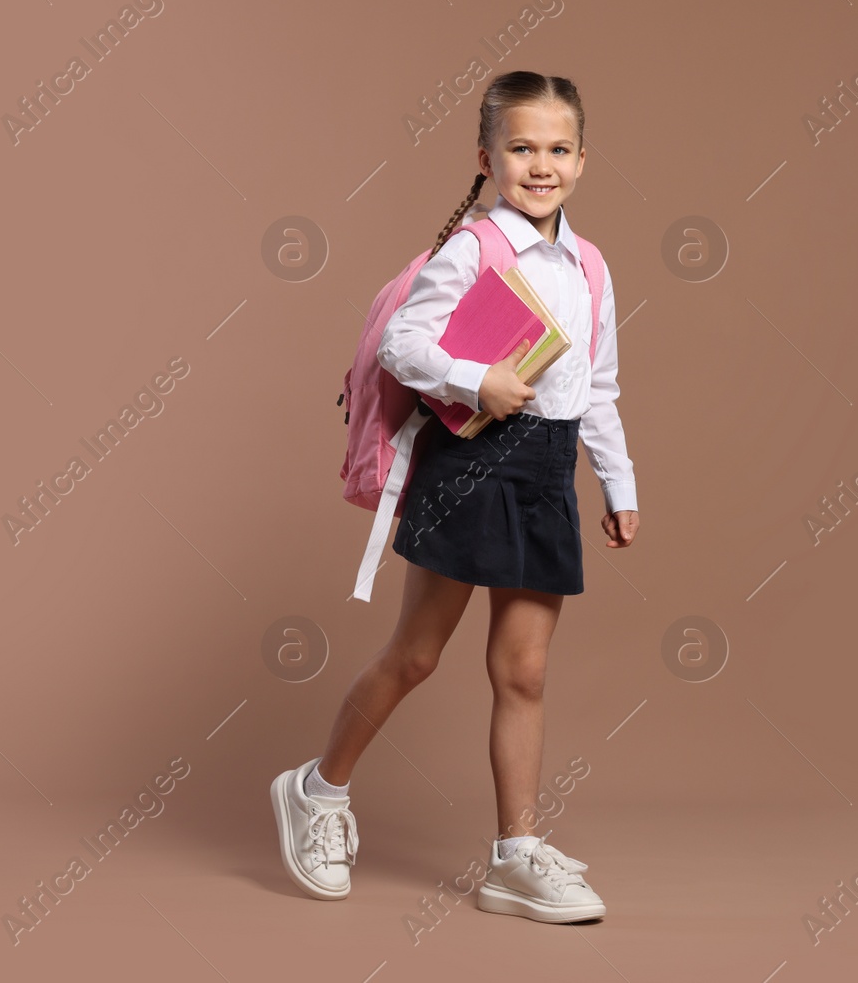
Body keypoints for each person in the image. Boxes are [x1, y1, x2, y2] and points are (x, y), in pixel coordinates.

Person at [271, 70, 639, 924]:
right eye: (520, 148)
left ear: (582, 160)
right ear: (487, 157)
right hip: (470, 464)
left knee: (525, 670)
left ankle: (515, 855)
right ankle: (317, 792)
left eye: (556, 149)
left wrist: (617, 483)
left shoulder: (590, 264)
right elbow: (405, 341)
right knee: (418, 654)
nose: (539, 165)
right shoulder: (476, 247)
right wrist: (480, 379)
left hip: (547, 470)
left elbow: (602, 386)